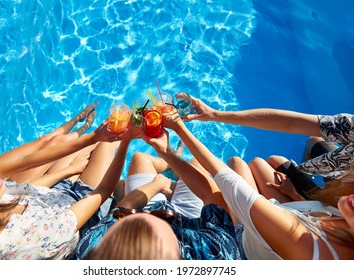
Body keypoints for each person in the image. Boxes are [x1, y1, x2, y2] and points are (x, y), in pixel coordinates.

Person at [163, 109, 354, 259]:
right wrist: (296, 195)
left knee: (233, 167)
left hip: (246, 237)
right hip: (293, 216)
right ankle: (172, 166)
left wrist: (179, 129)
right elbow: (290, 122)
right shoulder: (344, 217)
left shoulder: (309, 247)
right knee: (258, 164)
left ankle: (170, 163)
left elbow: (232, 184)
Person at [0, 118, 140, 260]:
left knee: (93, 144)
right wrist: (126, 141)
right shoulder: (26, 240)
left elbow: (26, 188)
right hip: (84, 213)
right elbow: (100, 192)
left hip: (53, 196)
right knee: (107, 145)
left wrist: (73, 165)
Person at [75, 130, 243, 260]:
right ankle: (174, 165)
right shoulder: (215, 254)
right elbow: (210, 194)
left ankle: (171, 170)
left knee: (140, 158)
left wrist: (156, 185)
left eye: (135, 222)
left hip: (153, 200)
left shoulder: (96, 250)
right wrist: (167, 154)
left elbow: (121, 210)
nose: (147, 213)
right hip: (193, 219)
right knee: (196, 164)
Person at [181, 94, 353, 197]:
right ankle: (309, 177)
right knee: (314, 141)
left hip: (336, 213)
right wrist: (214, 114)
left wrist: (295, 195)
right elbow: (290, 123)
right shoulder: (350, 126)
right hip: (341, 178)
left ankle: (309, 194)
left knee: (258, 165)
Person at [0, 103, 98, 184]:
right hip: (3, 191)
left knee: (44, 139)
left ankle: (78, 118)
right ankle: (86, 127)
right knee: (58, 141)